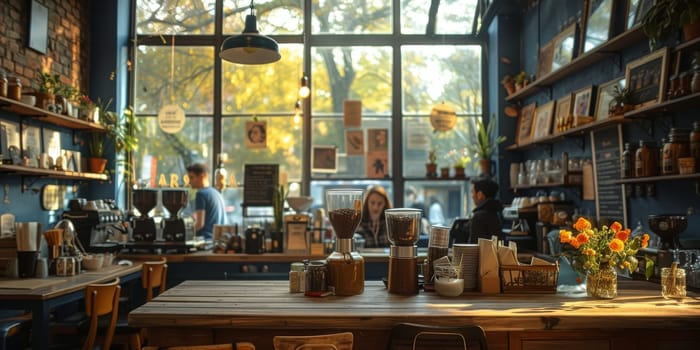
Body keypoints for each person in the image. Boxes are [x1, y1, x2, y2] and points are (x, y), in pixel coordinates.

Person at [186, 163, 227, 240]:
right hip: (216, 240)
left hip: (205, 240)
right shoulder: (216, 193)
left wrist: (184, 234)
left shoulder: (201, 194)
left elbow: (199, 224)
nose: (189, 182)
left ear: (202, 176)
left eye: (192, 178)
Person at [464, 178, 503, 244]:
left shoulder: (479, 217)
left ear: (480, 195)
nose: (472, 196)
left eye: (472, 192)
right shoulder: (496, 213)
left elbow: (474, 248)